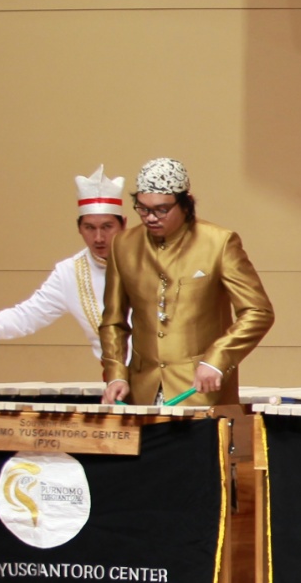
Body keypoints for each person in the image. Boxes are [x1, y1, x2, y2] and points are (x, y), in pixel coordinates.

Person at [100, 156, 275, 408]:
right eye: (142, 208)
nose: (150, 217)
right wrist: (116, 374)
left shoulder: (219, 242)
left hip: (200, 390)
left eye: (161, 209)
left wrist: (217, 359)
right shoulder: (123, 244)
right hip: (141, 391)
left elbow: (258, 312)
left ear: (186, 204)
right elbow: (113, 321)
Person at [0, 165, 127, 362]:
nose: (98, 237)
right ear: (79, 228)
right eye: (89, 228)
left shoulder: (151, 259)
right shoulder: (70, 272)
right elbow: (28, 316)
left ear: (124, 224)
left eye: (107, 227)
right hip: (117, 381)